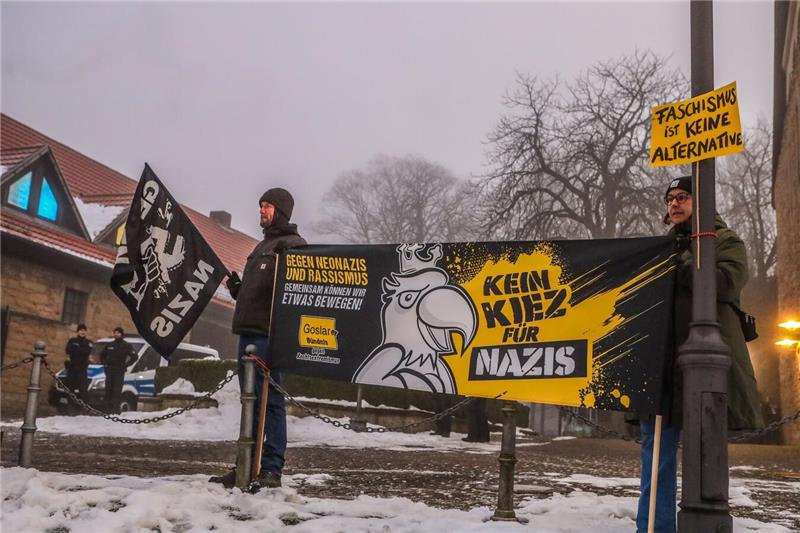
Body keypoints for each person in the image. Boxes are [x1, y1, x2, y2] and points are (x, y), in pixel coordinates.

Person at [635, 176, 763, 533]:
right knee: (656, 459)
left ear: (701, 202)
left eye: (682, 197)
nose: (673, 204)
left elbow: (725, 283)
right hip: (661, 369)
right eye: (669, 199)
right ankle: (654, 529)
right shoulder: (658, 250)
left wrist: (679, 267)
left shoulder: (726, 241)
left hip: (706, 372)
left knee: (706, 461)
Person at [210, 187, 306, 490]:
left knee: (272, 403)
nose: (262, 211)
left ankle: (271, 469)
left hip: (269, 337)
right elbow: (259, 293)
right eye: (261, 206)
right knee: (248, 402)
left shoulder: (294, 245)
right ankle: (245, 465)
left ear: (281, 211)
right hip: (247, 333)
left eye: (267, 206)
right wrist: (239, 290)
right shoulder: (260, 247)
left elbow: (295, 294)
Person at [99, 326, 137, 414]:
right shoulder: (110, 345)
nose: (116, 334)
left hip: (119, 370)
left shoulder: (126, 345)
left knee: (117, 390)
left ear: (122, 334)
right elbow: (102, 355)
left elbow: (134, 356)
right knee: (108, 390)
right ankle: (106, 410)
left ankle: (115, 410)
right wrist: (105, 364)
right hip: (109, 370)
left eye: (118, 333)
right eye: (115, 332)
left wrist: (126, 365)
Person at [65, 323, 93, 408]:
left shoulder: (89, 342)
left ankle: (86, 407)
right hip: (72, 367)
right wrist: (79, 350)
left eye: (84, 330)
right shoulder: (72, 341)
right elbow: (68, 350)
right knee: (70, 388)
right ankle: (70, 407)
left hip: (82, 368)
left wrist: (77, 349)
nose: (82, 332)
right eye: (81, 330)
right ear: (77, 331)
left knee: (83, 388)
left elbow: (87, 351)